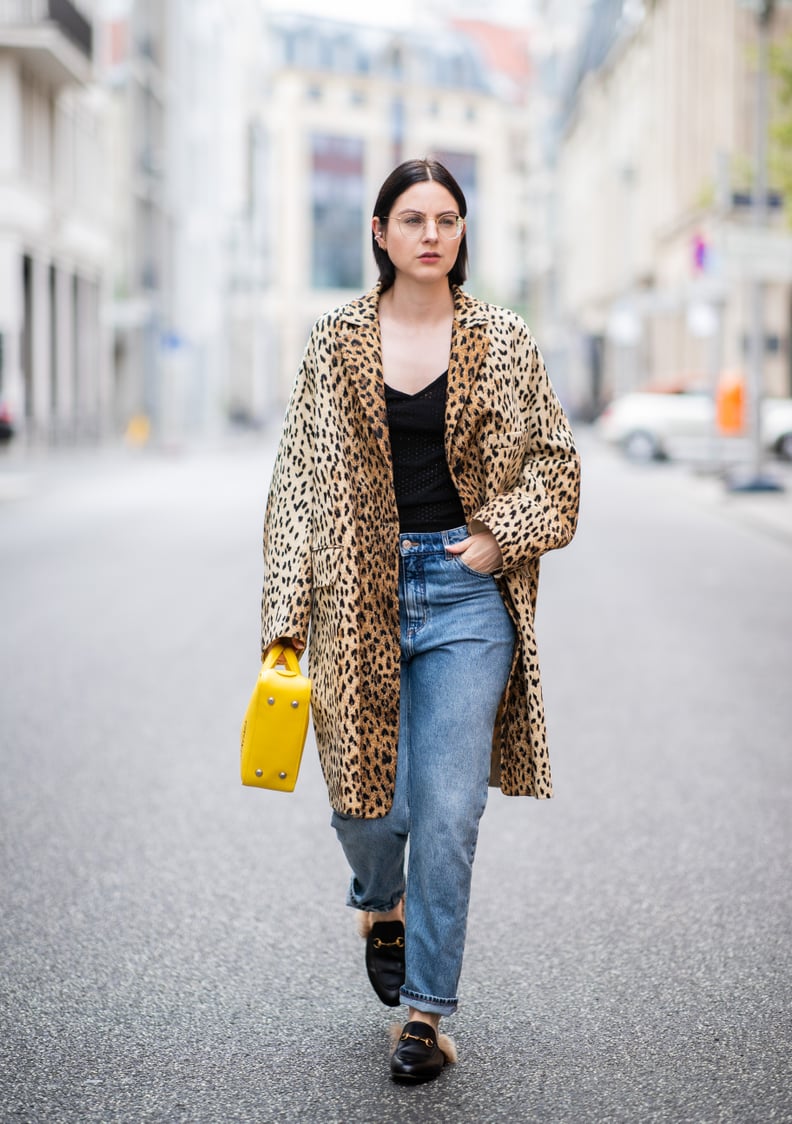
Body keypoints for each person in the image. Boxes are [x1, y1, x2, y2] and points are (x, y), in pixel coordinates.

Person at [260, 157, 580, 1083]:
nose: (432, 234)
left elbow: (556, 469)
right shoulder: (337, 342)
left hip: (465, 594)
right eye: (413, 218)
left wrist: (495, 538)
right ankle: (379, 901)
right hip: (356, 591)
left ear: (462, 234)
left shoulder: (506, 340)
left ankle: (427, 1015)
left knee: (448, 811)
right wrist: (285, 617)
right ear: (379, 232)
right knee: (371, 808)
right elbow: (296, 488)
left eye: (447, 218)